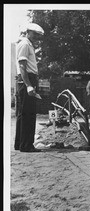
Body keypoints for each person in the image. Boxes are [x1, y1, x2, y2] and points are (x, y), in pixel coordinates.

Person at [14, 23, 44, 152]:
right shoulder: (25, 44)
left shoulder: (28, 44)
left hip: (28, 79)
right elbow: (22, 66)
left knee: (23, 114)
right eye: (34, 34)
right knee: (28, 114)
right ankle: (26, 145)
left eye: (38, 35)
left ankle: (20, 144)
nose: (36, 36)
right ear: (28, 32)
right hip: (27, 79)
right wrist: (29, 85)